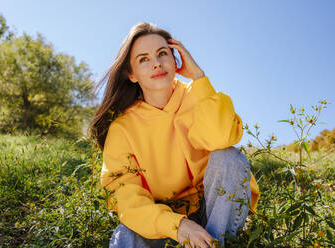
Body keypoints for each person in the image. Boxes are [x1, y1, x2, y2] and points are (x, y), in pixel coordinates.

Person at [89, 22, 260, 248]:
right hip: (167, 222)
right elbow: (126, 196)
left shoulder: (198, 96)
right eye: (144, 59)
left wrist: (199, 77)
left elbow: (223, 139)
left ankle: (218, 244)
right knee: (126, 236)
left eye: (163, 54)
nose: (157, 64)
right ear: (131, 74)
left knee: (228, 157)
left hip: (218, 213)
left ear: (176, 58)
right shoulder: (122, 128)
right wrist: (177, 226)